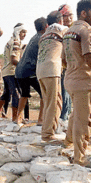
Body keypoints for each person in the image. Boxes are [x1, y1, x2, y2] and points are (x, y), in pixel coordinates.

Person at [63, 0, 91, 166]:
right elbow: (89, 57)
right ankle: (79, 159)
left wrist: (74, 67)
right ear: (84, 13)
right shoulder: (86, 29)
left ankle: (68, 141)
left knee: (76, 114)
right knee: (82, 119)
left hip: (70, 79)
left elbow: (64, 60)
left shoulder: (68, 31)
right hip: (83, 81)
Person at [36, 11, 67, 142]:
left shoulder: (44, 34)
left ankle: (47, 130)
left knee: (50, 102)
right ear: (61, 20)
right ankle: (48, 134)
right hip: (52, 68)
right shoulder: (63, 29)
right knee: (54, 103)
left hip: (40, 70)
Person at [14, 17, 48, 124]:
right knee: (44, 94)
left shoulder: (34, 38)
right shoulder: (43, 38)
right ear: (46, 26)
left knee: (24, 95)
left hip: (20, 71)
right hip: (29, 71)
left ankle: (17, 119)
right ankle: (41, 120)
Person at [0, 24, 27, 121]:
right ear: (18, 32)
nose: (24, 35)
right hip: (12, 71)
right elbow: (14, 60)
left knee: (6, 93)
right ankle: (15, 117)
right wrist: (23, 67)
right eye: (23, 32)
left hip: (5, 71)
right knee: (16, 94)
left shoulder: (9, 42)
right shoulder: (16, 42)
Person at [58, 4, 74, 121]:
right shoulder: (62, 30)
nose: (68, 18)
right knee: (65, 95)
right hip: (66, 68)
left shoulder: (77, 28)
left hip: (77, 67)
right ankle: (65, 120)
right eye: (65, 16)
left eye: (70, 15)